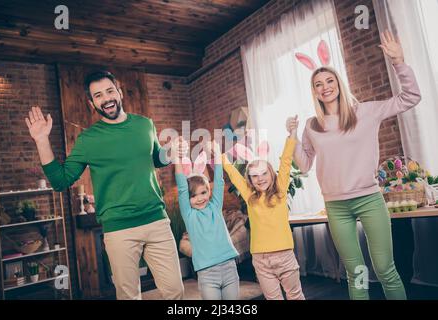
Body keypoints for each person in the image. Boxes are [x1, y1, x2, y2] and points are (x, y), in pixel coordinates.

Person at [25, 70, 185, 300]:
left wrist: (170, 152)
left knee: (176, 292)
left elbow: (155, 158)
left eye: (110, 91)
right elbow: (61, 181)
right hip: (119, 229)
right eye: (98, 95)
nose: (106, 98)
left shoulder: (144, 124)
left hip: (157, 221)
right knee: (128, 296)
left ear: (119, 93)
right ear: (92, 103)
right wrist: (41, 140)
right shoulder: (88, 139)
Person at [290, 30, 421, 300]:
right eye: (318, 84)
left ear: (338, 84)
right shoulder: (312, 126)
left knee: (386, 269)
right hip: (336, 207)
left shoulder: (366, 112)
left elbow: (410, 97)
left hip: (370, 199)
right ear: (314, 91)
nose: (325, 86)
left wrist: (399, 62)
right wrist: (291, 138)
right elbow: (303, 166)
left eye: (329, 80)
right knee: (357, 272)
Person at [222, 126, 305, 300]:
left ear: (271, 174)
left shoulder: (280, 191)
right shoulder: (249, 196)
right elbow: (233, 174)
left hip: (284, 256)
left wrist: (292, 135)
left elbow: (286, 162)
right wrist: (219, 154)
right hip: (260, 260)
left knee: (295, 296)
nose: (260, 178)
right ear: (250, 180)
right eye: (255, 176)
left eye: (263, 173)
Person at [174, 141, 240, 300]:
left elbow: (218, 180)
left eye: (203, 192)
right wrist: (177, 157)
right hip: (207, 274)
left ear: (209, 191)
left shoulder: (215, 206)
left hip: (229, 268)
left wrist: (217, 153)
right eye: (193, 196)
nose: (199, 199)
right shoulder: (189, 215)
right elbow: (182, 187)